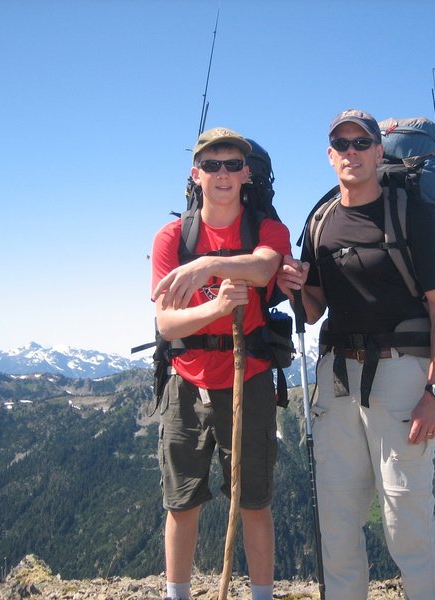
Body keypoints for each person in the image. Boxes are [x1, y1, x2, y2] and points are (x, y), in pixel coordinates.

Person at [276, 109, 435, 600]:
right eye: (342, 144)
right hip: (337, 377)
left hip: (403, 373)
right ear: (330, 155)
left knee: (406, 515)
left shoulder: (409, 214)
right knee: (335, 516)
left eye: (363, 143)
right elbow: (313, 311)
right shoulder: (321, 221)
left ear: (380, 152)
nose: (352, 152)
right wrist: (296, 285)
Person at [150, 127, 290, 600]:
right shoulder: (172, 236)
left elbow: (265, 268)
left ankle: (261, 596)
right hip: (186, 380)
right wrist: (214, 307)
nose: (223, 174)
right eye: (213, 165)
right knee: (181, 501)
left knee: (253, 502)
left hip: (247, 378)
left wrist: (203, 268)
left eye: (233, 165)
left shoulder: (267, 229)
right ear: (197, 174)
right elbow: (167, 325)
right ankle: (178, 595)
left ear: (247, 173)